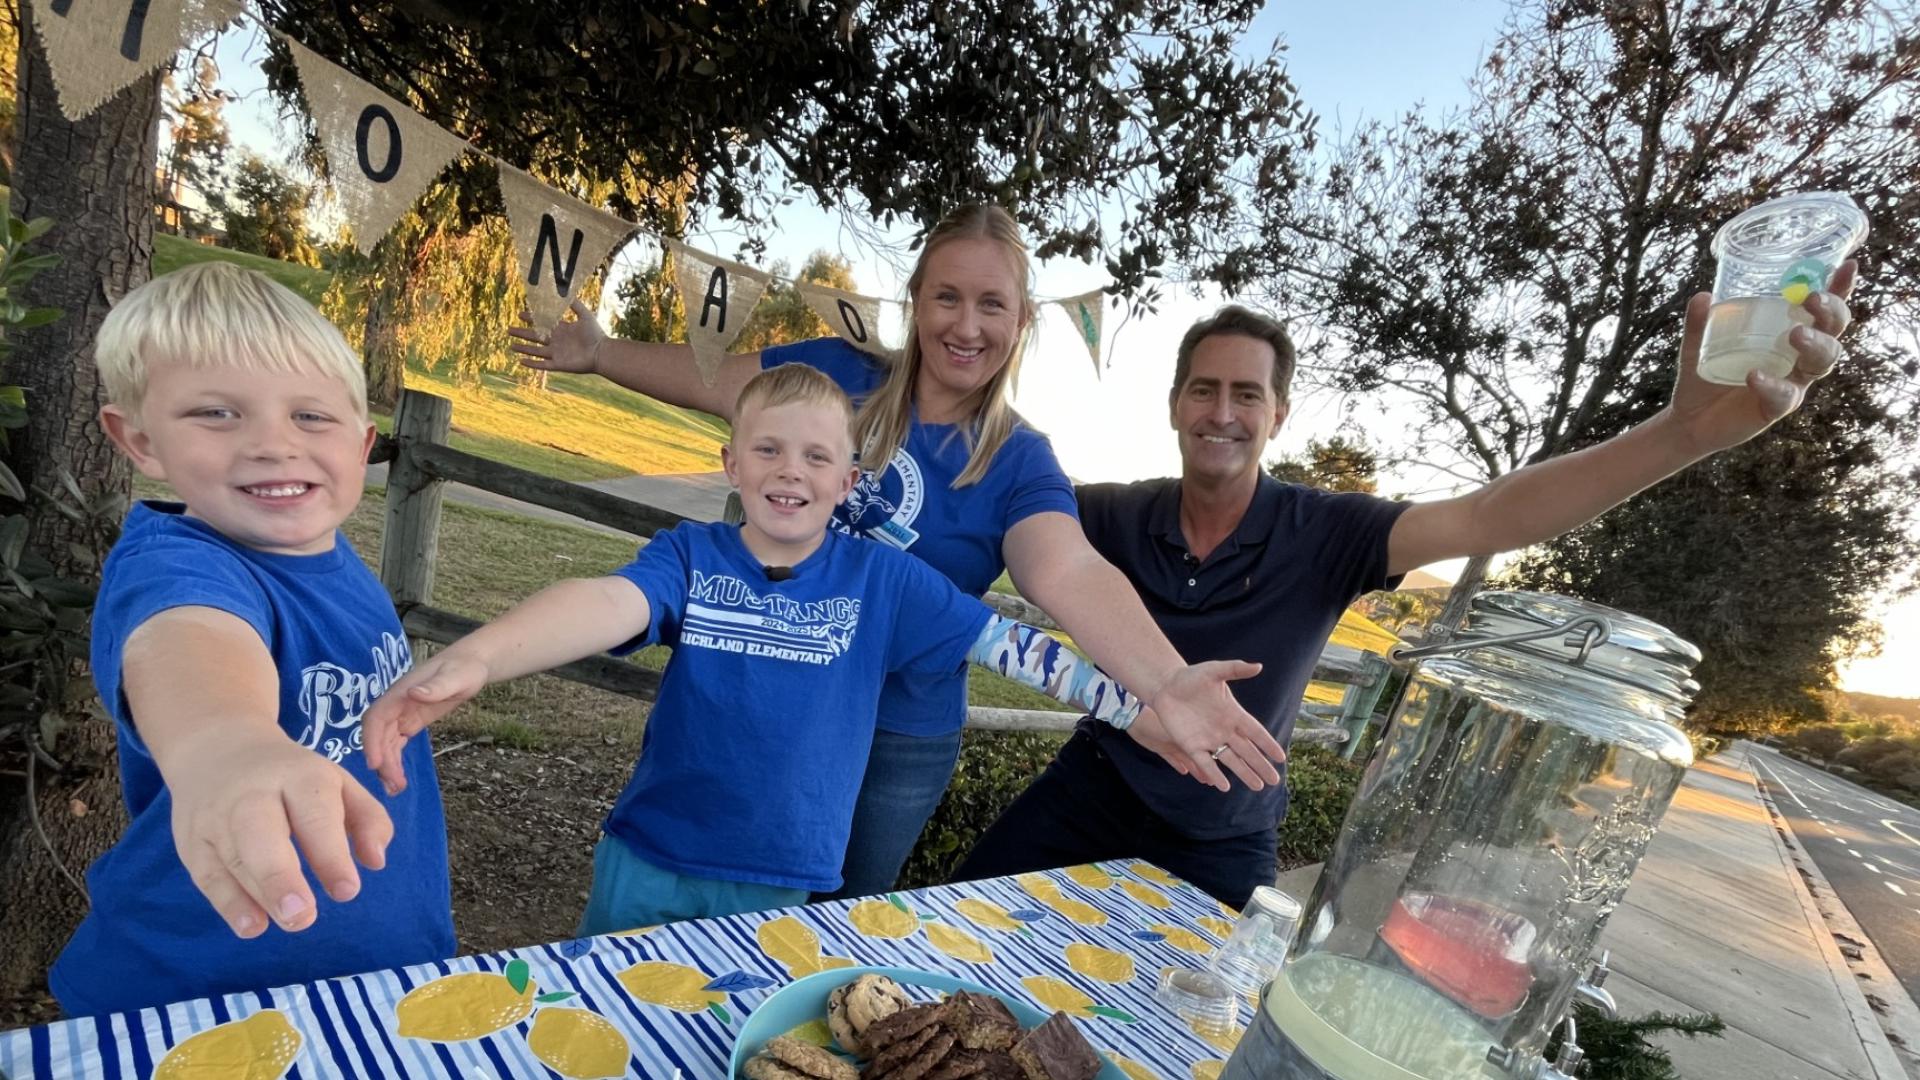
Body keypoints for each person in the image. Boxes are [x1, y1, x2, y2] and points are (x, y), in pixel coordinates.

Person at [958, 273, 1857, 909]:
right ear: (1174, 404)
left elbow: (1487, 516)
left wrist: (1681, 433)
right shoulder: (1112, 513)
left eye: (1246, 393)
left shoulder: (1329, 532)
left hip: (1223, 835)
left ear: (1279, 413)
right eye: (1202, 390)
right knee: (956, 936)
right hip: (1091, 786)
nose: (1221, 413)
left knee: (1207, 1038)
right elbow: (983, 508)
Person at [510, 204, 1284, 899]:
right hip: (767, 681)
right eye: (947, 296)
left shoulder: (1020, 460)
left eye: (992, 305)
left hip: (897, 737)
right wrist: (601, 353)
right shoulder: (839, 374)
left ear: (1023, 323)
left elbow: (1069, 569)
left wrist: (1167, 681)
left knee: (831, 921)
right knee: (713, 887)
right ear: (915, 301)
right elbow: (719, 383)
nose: (967, 326)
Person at [361, 364, 1235, 931]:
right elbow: (604, 601)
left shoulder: (886, 583)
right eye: (768, 449)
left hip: (778, 884)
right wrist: (481, 654)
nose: (791, 469)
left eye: (817, 456)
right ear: (731, 465)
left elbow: (1011, 645)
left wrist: (1135, 710)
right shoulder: (691, 558)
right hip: (648, 858)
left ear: (849, 482)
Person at [49, 263, 451, 1017]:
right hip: (197, 999)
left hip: (375, 978)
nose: (273, 444)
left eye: (311, 417)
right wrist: (227, 746)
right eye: (216, 413)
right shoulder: (174, 566)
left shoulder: (334, 556)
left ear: (363, 444)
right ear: (138, 440)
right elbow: (189, 652)